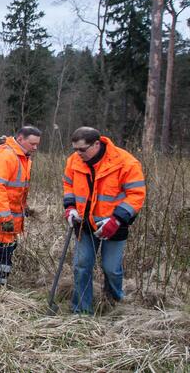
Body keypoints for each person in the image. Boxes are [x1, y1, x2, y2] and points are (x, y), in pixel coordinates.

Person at [63, 127, 145, 314]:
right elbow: (68, 184)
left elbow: (136, 195)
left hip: (115, 225)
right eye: (75, 149)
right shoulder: (74, 161)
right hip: (84, 224)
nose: (77, 153)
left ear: (97, 144)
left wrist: (116, 220)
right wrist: (70, 207)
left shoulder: (126, 163)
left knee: (111, 269)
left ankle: (114, 302)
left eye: (82, 149)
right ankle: (82, 311)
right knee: (81, 266)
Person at [0, 126, 41, 285]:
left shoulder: (22, 157)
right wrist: (6, 218)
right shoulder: (6, 156)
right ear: (20, 139)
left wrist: (23, 207)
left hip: (8, 217)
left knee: (6, 250)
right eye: (32, 143)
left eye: (37, 144)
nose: (35, 147)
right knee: (0, 253)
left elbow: (15, 189)